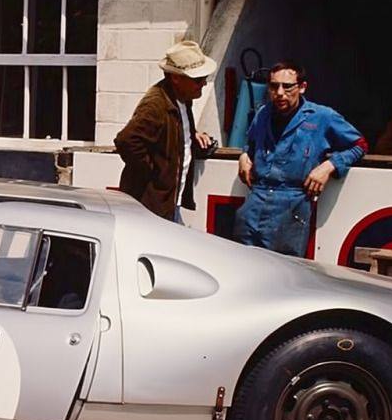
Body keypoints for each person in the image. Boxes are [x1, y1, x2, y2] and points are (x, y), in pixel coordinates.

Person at [234, 60, 367, 257]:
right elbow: (251, 142)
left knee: (282, 270)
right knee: (241, 264)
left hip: (291, 208)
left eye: (287, 87)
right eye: (274, 86)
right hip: (254, 203)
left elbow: (359, 145)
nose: (280, 93)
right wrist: (244, 155)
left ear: (302, 87)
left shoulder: (322, 117)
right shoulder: (262, 114)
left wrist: (329, 165)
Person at [114, 40, 216, 222]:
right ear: (176, 78)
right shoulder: (155, 106)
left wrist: (191, 135)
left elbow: (172, 129)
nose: (203, 83)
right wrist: (153, 172)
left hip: (167, 203)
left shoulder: (182, 98)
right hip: (150, 207)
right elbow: (126, 141)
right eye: (198, 79)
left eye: (204, 77)